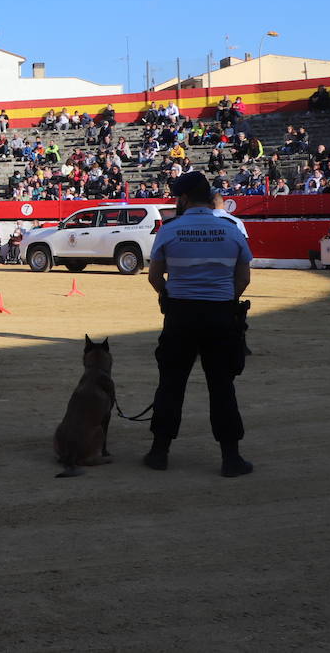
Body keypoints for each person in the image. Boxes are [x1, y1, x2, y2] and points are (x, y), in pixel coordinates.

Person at [144, 171, 254, 477]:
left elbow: (155, 276)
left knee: (171, 383)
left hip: (180, 315)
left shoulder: (170, 230)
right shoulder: (231, 229)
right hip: (220, 314)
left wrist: (167, 296)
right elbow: (244, 277)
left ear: (184, 199)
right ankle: (231, 458)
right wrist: (223, 299)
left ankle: (159, 453)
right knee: (221, 386)